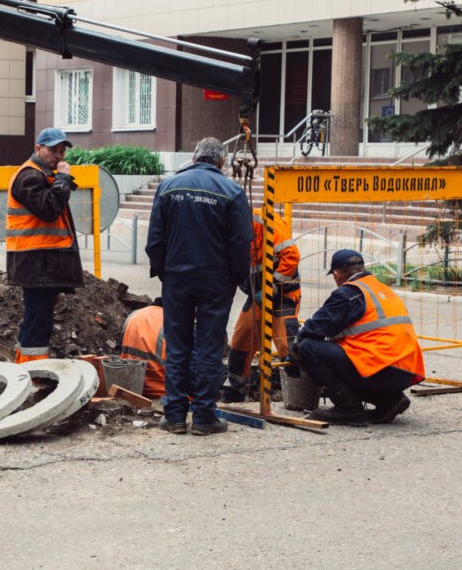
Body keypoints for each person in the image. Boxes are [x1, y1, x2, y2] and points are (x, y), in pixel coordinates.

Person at [145, 137, 252, 435]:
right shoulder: (232, 191)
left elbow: (155, 238)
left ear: (194, 157)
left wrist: (164, 271)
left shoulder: (169, 186)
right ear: (222, 162)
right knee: (209, 346)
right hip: (216, 281)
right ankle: (204, 417)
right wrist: (237, 277)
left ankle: (175, 416)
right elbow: (241, 242)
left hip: (177, 276)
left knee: (177, 345)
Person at [292, 249, 425, 426]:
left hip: (380, 368)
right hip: (405, 371)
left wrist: (293, 351)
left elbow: (316, 327)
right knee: (350, 358)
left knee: (308, 347)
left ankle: (348, 409)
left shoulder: (349, 293)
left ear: (338, 274)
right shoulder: (383, 289)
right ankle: (389, 400)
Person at [6, 127, 84, 363]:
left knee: (38, 319)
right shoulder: (30, 176)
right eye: (53, 150)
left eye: (61, 151)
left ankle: (26, 367)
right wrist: (62, 180)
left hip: (42, 262)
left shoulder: (43, 175)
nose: (58, 156)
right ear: (37, 148)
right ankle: (33, 373)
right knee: (38, 321)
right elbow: (49, 209)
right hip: (35, 262)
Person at [220, 209, 301, 402]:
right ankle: (236, 387)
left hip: (282, 293)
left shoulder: (264, 221)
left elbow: (291, 255)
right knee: (242, 339)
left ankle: (300, 392)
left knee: (287, 345)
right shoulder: (226, 227)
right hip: (257, 294)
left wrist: (271, 285)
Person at [118, 300, 166, 398]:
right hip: (161, 390)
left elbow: (120, 346)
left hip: (131, 385)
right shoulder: (172, 320)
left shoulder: (133, 315)